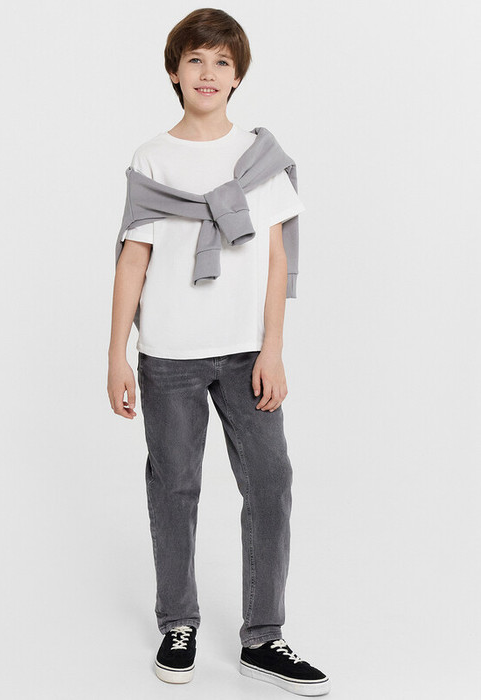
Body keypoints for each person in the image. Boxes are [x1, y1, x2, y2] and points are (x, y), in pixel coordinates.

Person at [107, 7, 331, 697]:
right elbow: (133, 260)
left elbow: (275, 259)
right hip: (168, 354)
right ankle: (177, 623)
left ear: (237, 78)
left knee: (270, 483)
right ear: (175, 73)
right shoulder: (152, 157)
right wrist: (116, 354)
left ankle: (263, 637)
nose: (208, 73)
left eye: (222, 62)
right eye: (195, 60)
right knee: (173, 488)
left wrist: (273, 349)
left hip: (246, 353)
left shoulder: (259, 159)